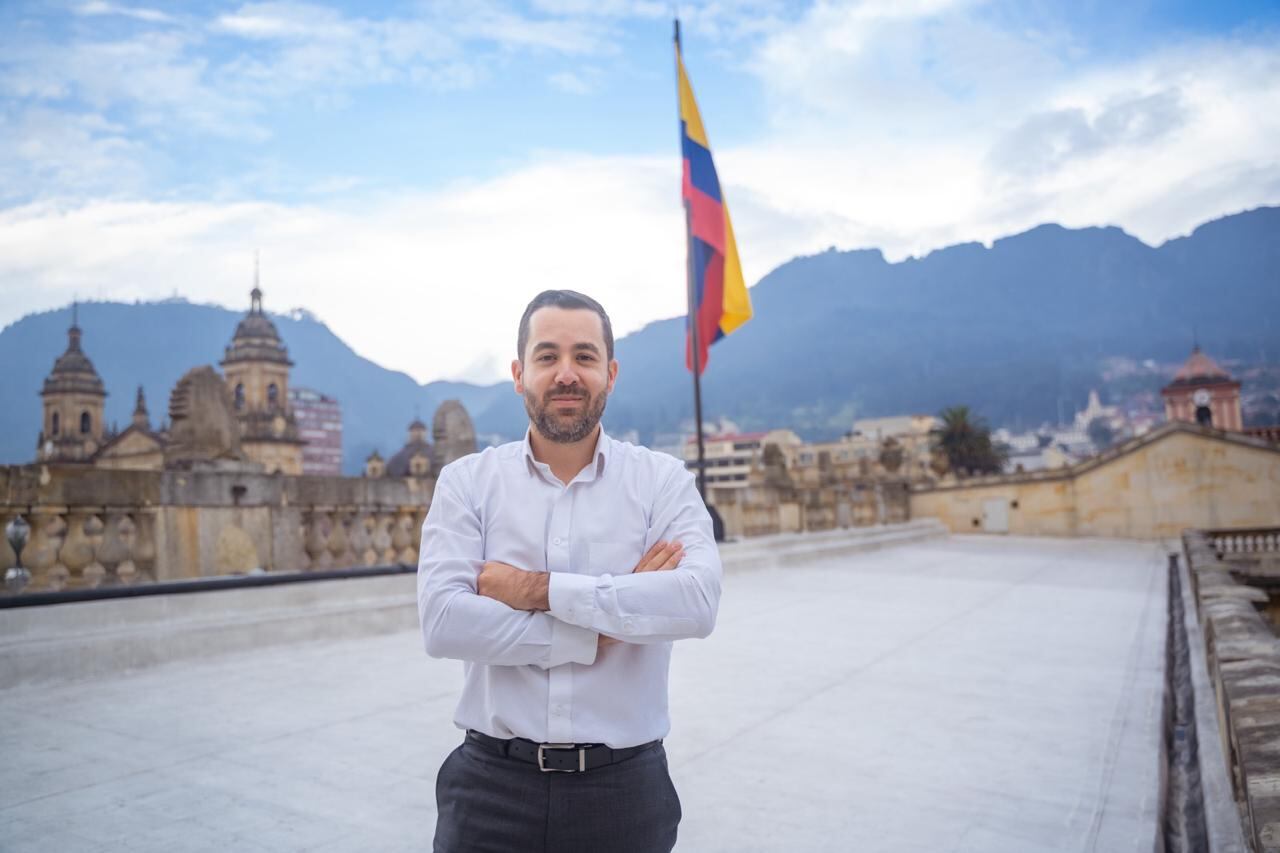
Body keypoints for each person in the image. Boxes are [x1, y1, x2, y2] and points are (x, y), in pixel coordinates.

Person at [418, 289, 722, 853]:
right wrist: (604, 623)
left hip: (625, 792)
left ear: (610, 372)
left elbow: (697, 602)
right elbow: (444, 623)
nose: (566, 374)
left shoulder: (662, 482)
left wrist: (534, 590)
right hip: (489, 788)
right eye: (547, 356)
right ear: (518, 373)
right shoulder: (467, 483)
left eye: (584, 357)